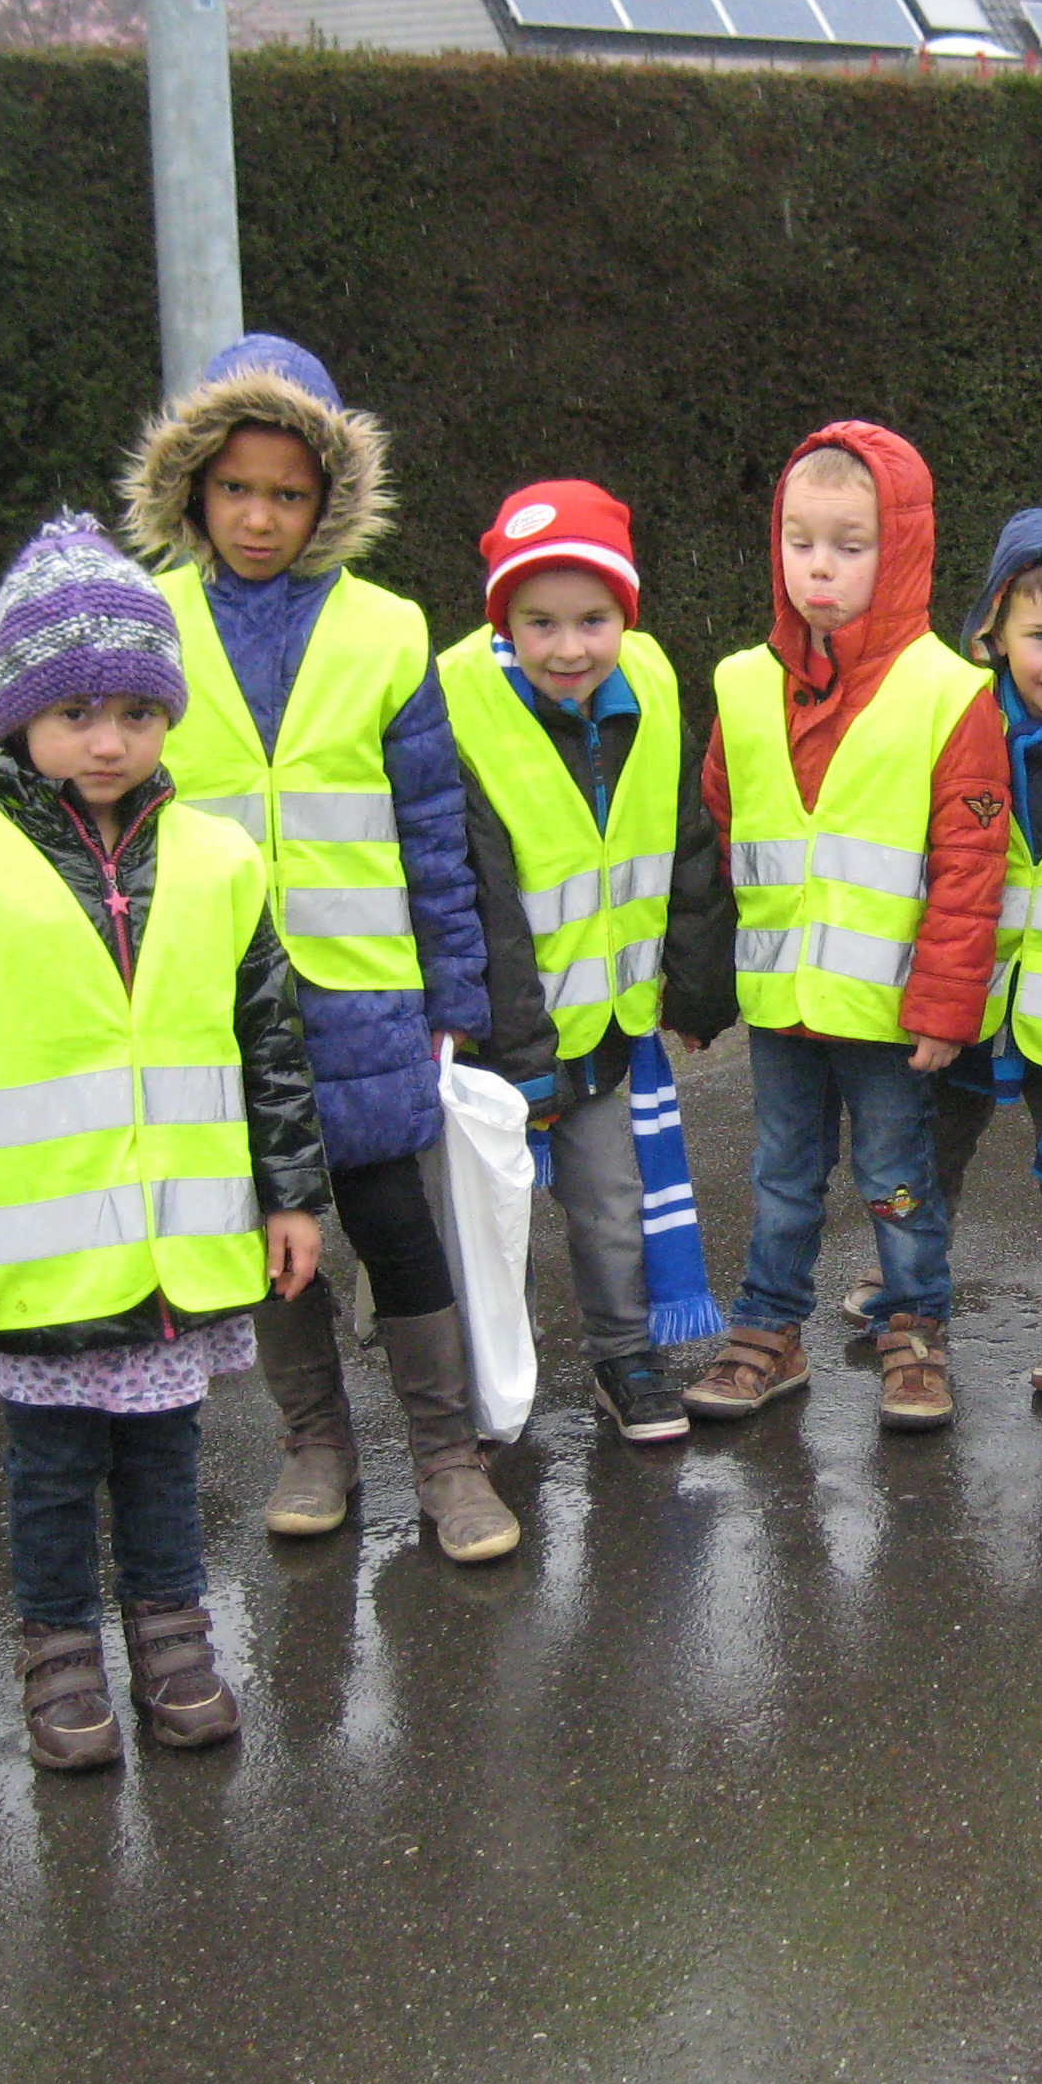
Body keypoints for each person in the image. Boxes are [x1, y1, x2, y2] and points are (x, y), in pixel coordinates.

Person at [0, 514, 328, 1771]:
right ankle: (59, 1650)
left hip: (180, 1253)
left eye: (136, 709)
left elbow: (269, 1044)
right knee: (50, 1472)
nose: (108, 738)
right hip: (39, 1266)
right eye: (75, 711)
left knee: (168, 1460)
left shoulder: (223, 860)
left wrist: (293, 1196)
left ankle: (174, 1633)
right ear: (18, 718)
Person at [118, 334, 512, 1561]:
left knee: (392, 1223)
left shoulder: (389, 631)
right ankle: (315, 1446)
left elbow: (431, 828)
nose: (257, 516)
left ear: (329, 498)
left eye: (288, 493)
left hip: (365, 997)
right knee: (261, 1231)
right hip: (212, 1000)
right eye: (235, 488)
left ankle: (447, 1459)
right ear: (192, 486)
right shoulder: (147, 625)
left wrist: (455, 991)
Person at [679, 424, 1012, 1435]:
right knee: (780, 1178)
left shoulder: (951, 694)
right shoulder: (741, 683)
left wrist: (950, 1006)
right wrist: (701, 990)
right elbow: (719, 839)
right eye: (801, 541)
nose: (820, 567)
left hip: (892, 1012)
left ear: (901, 548)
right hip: (784, 1006)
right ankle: (769, 1331)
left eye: (851, 545)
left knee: (897, 1181)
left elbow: (970, 867)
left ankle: (913, 1328)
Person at [838, 510, 1042, 1395]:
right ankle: (903, 1276)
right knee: (920, 1158)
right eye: (1041, 636)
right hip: (959, 1005)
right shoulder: (952, 720)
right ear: (992, 633)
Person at [446, 481, 733, 1444]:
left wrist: (696, 988)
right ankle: (494, 1379)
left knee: (612, 1208)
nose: (570, 648)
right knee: (495, 1224)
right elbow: (476, 900)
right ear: (504, 623)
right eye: (539, 622)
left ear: (626, 614)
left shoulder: (649, 685)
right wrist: (514, 1049)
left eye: (593, 619)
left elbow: (688, 847)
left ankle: (623, 1359)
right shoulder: (459, 711)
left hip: (606, 1026)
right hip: (497, 1039)